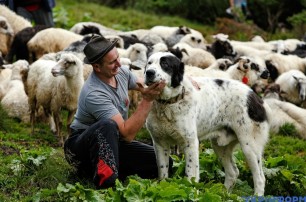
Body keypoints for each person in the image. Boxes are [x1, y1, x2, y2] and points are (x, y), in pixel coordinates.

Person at [64, 35, 172, 189]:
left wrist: (182, 82)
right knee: (107, 125)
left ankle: (106, 168)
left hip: (113, 141)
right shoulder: (94, 93)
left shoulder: (119, 72)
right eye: (112, 62)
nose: (119, 64)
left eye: (118, 58)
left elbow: (144, 85)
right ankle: (104, 181)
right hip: (81, 148)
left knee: (165, 163)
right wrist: (147, 100)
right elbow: (127, 134)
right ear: (97, 67)